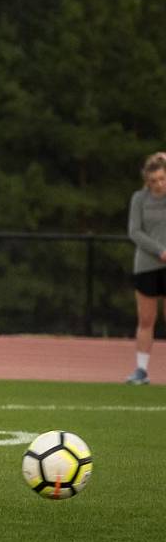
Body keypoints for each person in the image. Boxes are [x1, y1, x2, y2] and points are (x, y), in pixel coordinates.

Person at [125, 152, 166, 385]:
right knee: (146, 319)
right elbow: (135, 231)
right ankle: (141, 370)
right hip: (147, 265)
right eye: (154, 181)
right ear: (147, 181)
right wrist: (160, 251)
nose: (159, 184)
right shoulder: (139, 199)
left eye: (162, 178)